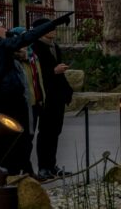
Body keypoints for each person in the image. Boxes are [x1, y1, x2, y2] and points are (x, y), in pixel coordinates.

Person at [0, 11, 70, 178]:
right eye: (2, 26)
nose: (5, 29)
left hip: (6, 100)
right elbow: (23, 39)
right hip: (8, 102)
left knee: (19, 139)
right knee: (18, 139)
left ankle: (22, 174)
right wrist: (51, 24)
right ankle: (12, 176)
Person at [31, 19, 75, 178]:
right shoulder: (35, 47)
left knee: (55, 130)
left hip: (58, 95)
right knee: (45, 132)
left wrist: (66, 90)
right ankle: (43, 166)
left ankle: (52, 164)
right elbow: (35, 72)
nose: (54, 30)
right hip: (45, 95)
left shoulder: (54, 46)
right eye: (50, 28)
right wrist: (53, 71)